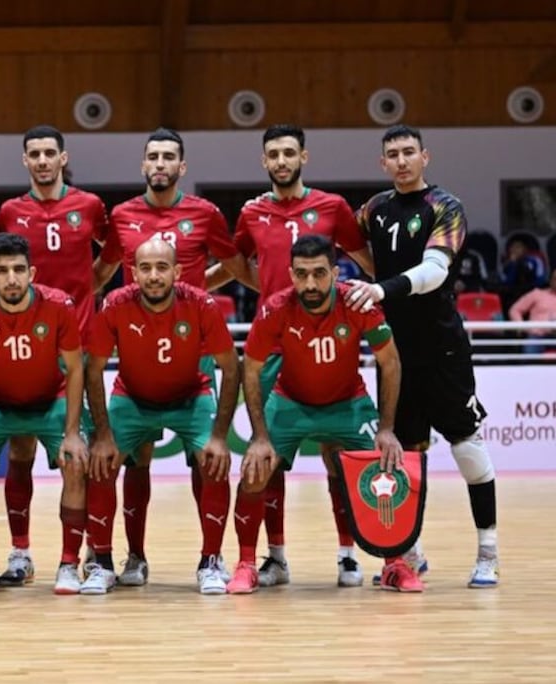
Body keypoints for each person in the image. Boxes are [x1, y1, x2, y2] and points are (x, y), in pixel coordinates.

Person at [218, 124, 377, 589]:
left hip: (327, 336)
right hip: (275, 344)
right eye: (273, 154)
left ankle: (349, 554)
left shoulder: (332, 207)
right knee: (268, 457)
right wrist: (266, 291)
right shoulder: (252, 213)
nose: (281, 160)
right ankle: (276, 557)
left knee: (336, 456)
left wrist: (391, 290)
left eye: (289, 152)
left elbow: (367, 261)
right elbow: (235, 265)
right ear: (264, 161)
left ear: (303, 157)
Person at [95, 127, 255, 587]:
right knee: (133, 459)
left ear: (181, 167)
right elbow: (104, 271)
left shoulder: (203, 213)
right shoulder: (122, 214)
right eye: (153, 157)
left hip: (193, 351)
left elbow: (236, 266)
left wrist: (273, 293)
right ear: (143, 166)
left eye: (169, 157)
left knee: (205, 460)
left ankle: (211, 560)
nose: (160, 164)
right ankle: (134, 558)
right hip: (137, 351)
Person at [346, 125, 499, 588]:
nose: (401, 160)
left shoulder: (445, 207)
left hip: (442, 348)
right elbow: (344, 237)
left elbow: (435, 271)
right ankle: (410, 553)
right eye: (392, 154)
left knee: (467, 446)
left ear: (425, 157)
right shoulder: (373, 208)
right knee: (405, 455)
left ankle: (487, 552)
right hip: (394, 352)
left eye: (409, 152)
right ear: (382, 163)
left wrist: (380, 287)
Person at [232, 234, 419, 593]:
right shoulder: (276, 307)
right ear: (290, 273)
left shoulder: (358, 303)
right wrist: (259, 436)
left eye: (319, 273)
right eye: (301, 274)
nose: (310, 283)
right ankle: (246, 564)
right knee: (255, 469)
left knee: (386, 463)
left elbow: (390, 362)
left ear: (335, 272)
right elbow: (251, 368)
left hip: (347, 402)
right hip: (290, 401)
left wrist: (387, 427)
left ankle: (391, 563)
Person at [86, 237, 240, 594]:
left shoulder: (201, 304)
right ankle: (110, 562)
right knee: (102, 463)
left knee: (214, 461)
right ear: (133, 273)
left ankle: (211, 560)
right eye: (145, 268)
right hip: (133, 399)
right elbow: (92, 370)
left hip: (191, 397)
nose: (153, 275)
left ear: (177, 271)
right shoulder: (115, 304)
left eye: (161, 267)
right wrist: (104, 436)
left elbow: (231, 368)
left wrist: (219, 436)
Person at [0, 125, 113, 586]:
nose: (42, 160)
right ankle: (21, 554)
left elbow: (110, 258)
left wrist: (88, 289)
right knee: (20, 451)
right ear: (25, 161)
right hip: (22, 350)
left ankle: (80, 557)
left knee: (77, 459)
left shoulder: (89, 206)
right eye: (34, 154)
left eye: (50, 153)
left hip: (75, 353)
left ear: (63, 158)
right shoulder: (10, 211)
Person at [0, 233, 90, 595]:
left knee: (76, 462)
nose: (10, 279)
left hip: (50, 401)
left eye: (17, 270)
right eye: (1, 271)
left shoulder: (59, 305)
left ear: (32, 272)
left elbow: (76, 369)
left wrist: (73, 431)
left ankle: (68, 564)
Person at [509, 270, 556, 353]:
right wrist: (521, 326)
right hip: (538, 335)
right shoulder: (537, 294)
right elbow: (515, 310)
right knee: (529, 355)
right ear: (551, 280)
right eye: (555, 279)